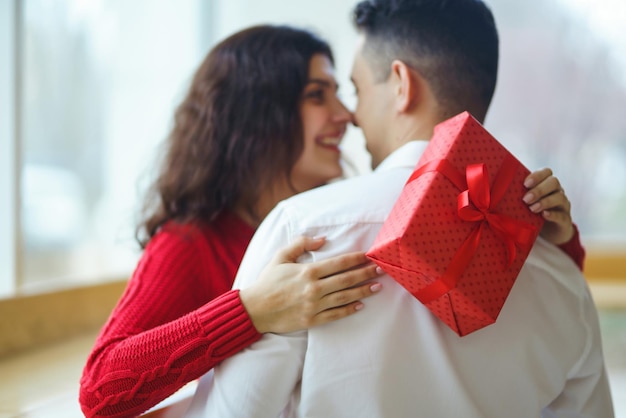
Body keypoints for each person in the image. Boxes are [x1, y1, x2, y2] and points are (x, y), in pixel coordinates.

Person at [186, 1, 614, 417]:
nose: (351, 117)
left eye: (355, 89)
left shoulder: (303, 231)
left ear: (402, 84)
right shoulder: (561, 278)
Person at [79, 26, 387, 418]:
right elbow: (100, 392)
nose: (345, 114)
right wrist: (253, 310)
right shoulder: (191, 243)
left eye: (337, 92)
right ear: (257, 114)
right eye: (316, 95)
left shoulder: (336, 227)